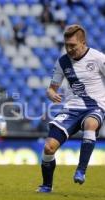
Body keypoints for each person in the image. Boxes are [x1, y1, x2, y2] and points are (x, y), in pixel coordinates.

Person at [37, 24, 105, 193]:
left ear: (83, 43)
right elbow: (51, 87)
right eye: (67, 45)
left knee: (90, 124)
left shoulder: (98, 58)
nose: (69, 49)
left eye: (73, 46)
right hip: (71, 109)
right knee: (48, 147)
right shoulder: (63, 61)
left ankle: (81, 170)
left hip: (94, 107)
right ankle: (47, 185)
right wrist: (51, 93)